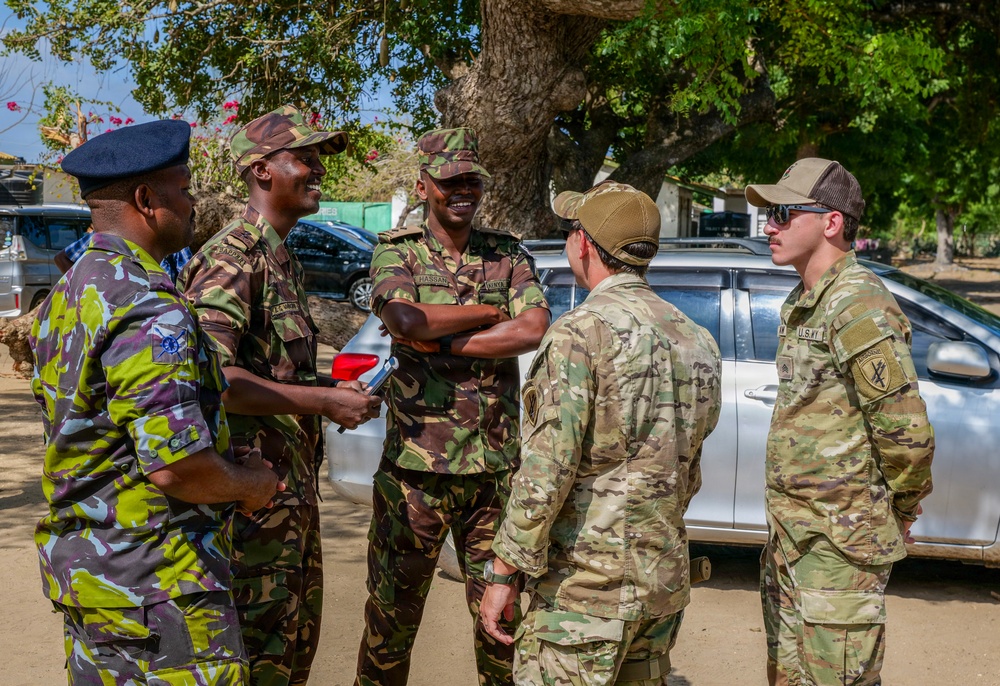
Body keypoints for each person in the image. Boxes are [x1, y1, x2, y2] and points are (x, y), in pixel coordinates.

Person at [30, 119, 284, 683]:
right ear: (146, 200)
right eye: (186, 189)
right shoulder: (146, 304)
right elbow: (177, 468)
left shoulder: (70, 291)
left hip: (98, 580)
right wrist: (252, 485)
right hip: (160, 587)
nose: (194, 204)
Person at [479, 181, 722, 685]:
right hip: (660, 584)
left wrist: (503, 572)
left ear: (585, 244)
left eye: (572, 229)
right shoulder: (696, 338)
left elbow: (546, 471)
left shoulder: (580, 333)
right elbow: (688, 470)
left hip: (585, 594)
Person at [179, 105, 382, 685]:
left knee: (291, 655)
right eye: (305, 158)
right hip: (250, 512)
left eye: (319, 159)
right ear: (262, 170)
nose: (319, 170)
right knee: (255, 662)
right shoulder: (232, 259)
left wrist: (327, 388)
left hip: (288, 500)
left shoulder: (281, 257)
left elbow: (271, 372)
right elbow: (213, 383)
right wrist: (323, 403)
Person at [355, 127, 551, 686]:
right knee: (390, 625)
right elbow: (404, 319)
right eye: (449, 181)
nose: (463, 190)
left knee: (502, 625)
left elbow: (533, 328)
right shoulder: (397, 251)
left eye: (472, 180)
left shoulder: (506, 253)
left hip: (492, 477)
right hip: (414, 477)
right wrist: (489, 314)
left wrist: (441, 344)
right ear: (423, 186)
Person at [745, 158, 934, 685]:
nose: (769, 227)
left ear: (831, 222)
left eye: (782, 214)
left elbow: (907, 435)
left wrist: (901, 507)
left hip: (840, 544)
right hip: (794, 535)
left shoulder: (858, 304)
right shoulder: (806, 299)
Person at [55, 229, 193, 282]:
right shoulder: (106, 235)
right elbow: (63, 259)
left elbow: (189, 280)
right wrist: (86, 287)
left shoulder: (173, 240)